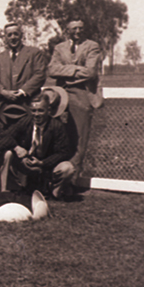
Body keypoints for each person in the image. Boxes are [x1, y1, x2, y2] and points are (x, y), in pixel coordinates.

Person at [48, 19, 104, 178]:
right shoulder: (59, 48)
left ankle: (73, 177)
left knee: (80, 137)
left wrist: (65, 72)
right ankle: (57, 174)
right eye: (74, 28)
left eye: (81, 28)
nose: (78, 31)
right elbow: (52, 69)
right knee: (60, 135)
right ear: (67, 30)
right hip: (61, 95)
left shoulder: (92, 46)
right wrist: (76, 69)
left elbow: (91, 72)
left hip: (82, 95)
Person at [0, 93, 75, 198]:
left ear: (48, 110)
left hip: (48, 165)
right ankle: (7, 191)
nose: (37, 114)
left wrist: (42, 162)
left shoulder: (57, 126)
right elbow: (5, 136)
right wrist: (17, 148)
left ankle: (55, 191)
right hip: (27, 162)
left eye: (41, 110)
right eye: (34, 111)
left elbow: (63, 152)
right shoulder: (26, 121)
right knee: (8, 154)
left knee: (68, 168)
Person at [0, 22, 48, 124]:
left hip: (28, 103)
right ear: (5, 38)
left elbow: (40, 74)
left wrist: (22, 91)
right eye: (9, 35)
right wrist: (4, 92)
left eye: (16, 34)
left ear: (21, 35)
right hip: (5, 106)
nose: (13, 37)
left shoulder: (34, 53)